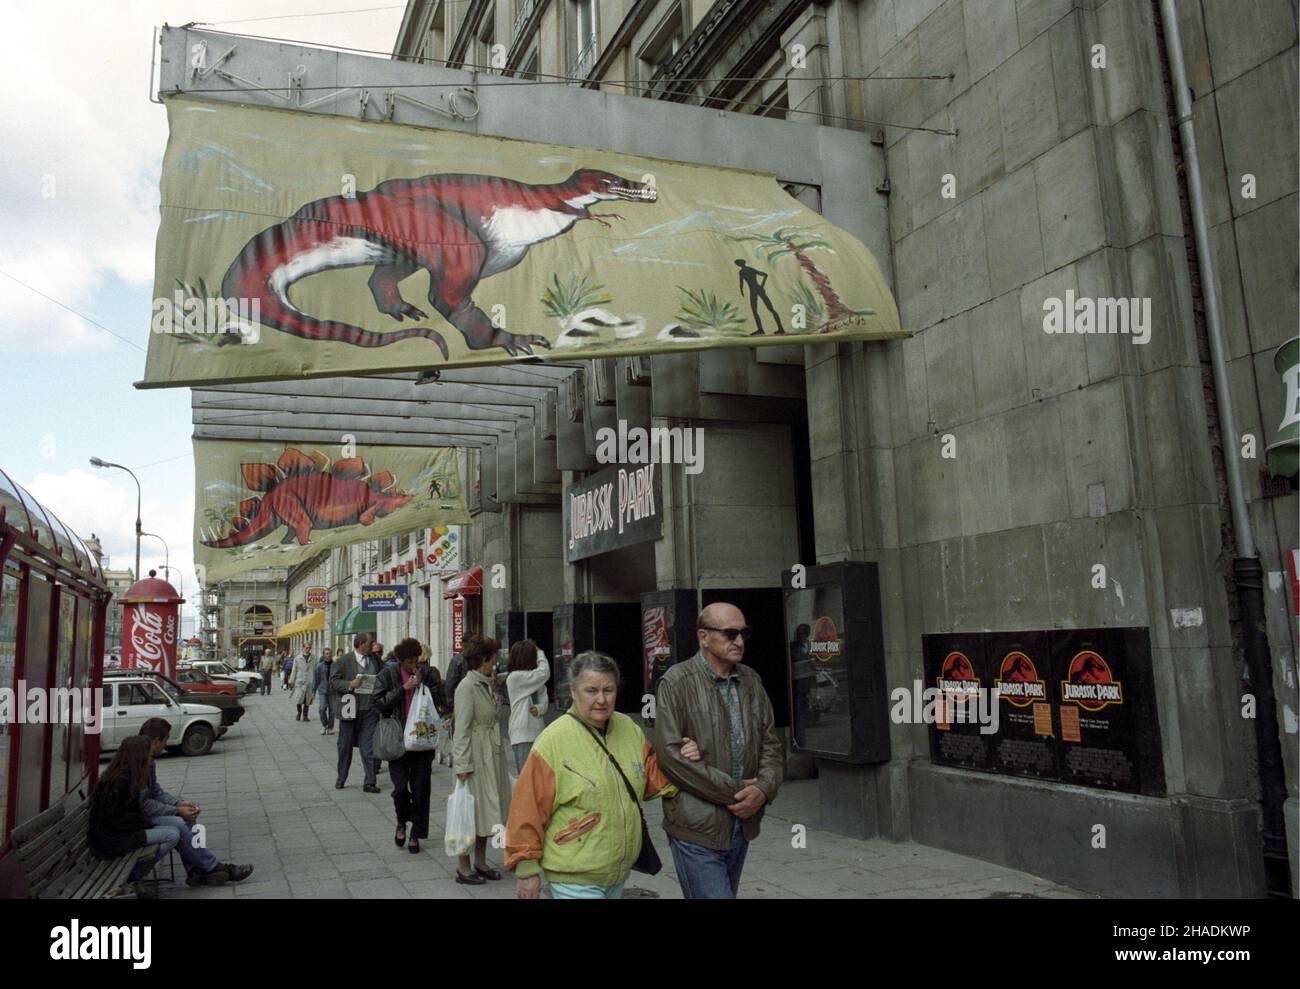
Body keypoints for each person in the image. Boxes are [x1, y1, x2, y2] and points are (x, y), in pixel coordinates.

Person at [506, 650, 677, 899]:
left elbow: (651, 780)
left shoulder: (629, 728)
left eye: (608, 690)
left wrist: (682, 758)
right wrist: (526, 869)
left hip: (616, 875)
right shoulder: (553, 741)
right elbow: (527, 808)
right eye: (591, 690)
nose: (601, 699)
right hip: (573, 876)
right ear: (574, 692)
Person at [653, 602, 785, 899]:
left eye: (743, 633)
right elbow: (670, 758)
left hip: (742, 824)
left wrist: (763, 790)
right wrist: (738, 791)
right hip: (696, 825)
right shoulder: (676, 682)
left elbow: (772, 746)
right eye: (729, 633)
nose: (739, 641)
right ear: (703, 636)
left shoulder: (751, 680)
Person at [137, 719, 254, 886]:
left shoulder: (149, 762)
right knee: (177, 822)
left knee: (188, 818)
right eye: (166, 739)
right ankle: (214, 867)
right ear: (156, 741)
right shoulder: (138, 763)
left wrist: (180, 804)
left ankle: (195, 870)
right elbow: (144, 805)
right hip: (138, 819)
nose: (166, 744)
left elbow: (156, 792)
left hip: (145, 814)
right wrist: (176, 811)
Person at [450, 633, 511, 884]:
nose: (495, 664)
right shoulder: (467, 687)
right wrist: (462, 764)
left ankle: (481, 861)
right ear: (483, 659)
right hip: (476, 754)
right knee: (469, 811)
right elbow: (461, 728)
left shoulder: (486, 682)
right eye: (493, 659)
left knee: (488, 809)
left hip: (492, 752)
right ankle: (463, 867)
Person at [374, 638, 443, 854]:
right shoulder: (388, 674)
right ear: (399, 660)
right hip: (398, 741)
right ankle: (402, 821)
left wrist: (423, 685)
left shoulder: (428, 673)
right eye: (408, 662)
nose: (413, 665)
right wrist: (403, 689)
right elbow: (379, 702)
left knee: (421, 789)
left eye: (416, 661)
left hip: (422, 742)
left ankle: (416, 833)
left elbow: (440, 699)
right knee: (401, 788)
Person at [88, 736, 178, 898]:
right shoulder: (120, 781)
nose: (150, 758)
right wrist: (145, 822)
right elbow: (114, 818)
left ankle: (132, 877)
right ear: (139, 755)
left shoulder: (125, 774)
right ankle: (132, 877)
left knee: (172, 828)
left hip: (118, 833)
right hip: (112, 839)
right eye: (148, 754)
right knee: (171, 834)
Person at [331, 632, 383, 792]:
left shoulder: (374, 659)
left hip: (369, 710)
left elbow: (383, 675)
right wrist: (349, 684)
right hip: (350, 709)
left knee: (368, 747)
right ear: (361, 644)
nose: (372, 645)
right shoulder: (344, 661)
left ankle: (370, 781)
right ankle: (341, 778)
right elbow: (333, 681)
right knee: (345, 746)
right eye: (370, 642)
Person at [505, 640, 550, 772]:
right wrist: (540, 652)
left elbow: (545, 702)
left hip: (539, 732)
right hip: (522, 734)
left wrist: (540, 708)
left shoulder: (535, 679)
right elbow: (544, 672)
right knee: (526, 778)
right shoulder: (514, 678)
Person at [289, 646, 317, 722]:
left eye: (309, 648)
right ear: (303, 648)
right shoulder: (297, 658)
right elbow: (294, 669)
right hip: (299, 681)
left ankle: (305, 716)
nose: (308, 649)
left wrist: (316, 681)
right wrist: (291, 681)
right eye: (306, 648)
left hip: (309, 681)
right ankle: (299, 712)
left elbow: (315, 669)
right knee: (299, 699)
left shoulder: (314, 658)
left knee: (307, 700)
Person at [314, 647, 336, 734]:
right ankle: (324, 725)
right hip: (322, 690)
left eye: (330, 653)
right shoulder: (319, 666)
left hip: (333, 691)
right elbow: (316, 679)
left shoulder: (336, 665)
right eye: (326, 653)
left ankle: (330, 727)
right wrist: (313, 691)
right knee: (322, 708)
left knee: (333, 710)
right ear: (323, 655)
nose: (328, 655)